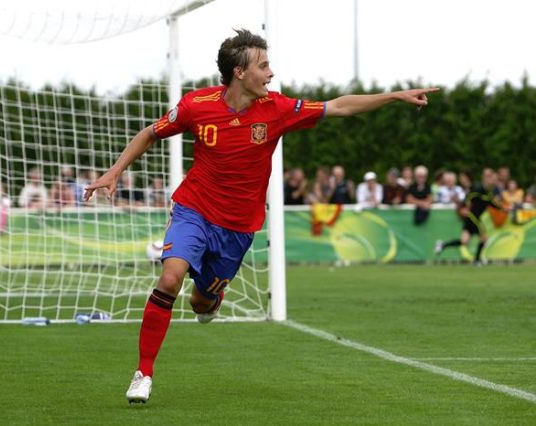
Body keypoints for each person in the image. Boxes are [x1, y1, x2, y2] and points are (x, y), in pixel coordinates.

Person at [83, 29, 438, 404]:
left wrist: (394, 96)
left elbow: (340, 106)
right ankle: (143, 373)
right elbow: (151, 133)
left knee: (201, 302)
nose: (271, 73)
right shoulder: (196, 105)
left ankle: (211, 297)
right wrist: (115, 171)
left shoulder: (278, 108)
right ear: (240, 72)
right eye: (263, 65)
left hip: (237, 227)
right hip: (194, 209)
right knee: (170, 277)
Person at [435, 168, 505, 265]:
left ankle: (443, 245)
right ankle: (477, 260)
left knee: (464, 241)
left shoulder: (487, 191)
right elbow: (470, 198)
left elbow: (491, 203)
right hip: (473, 217)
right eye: (490, 177)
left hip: (470, 218)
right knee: (484, 238)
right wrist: (463, 206)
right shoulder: (479, 189)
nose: (492, 180)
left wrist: (503, 208)